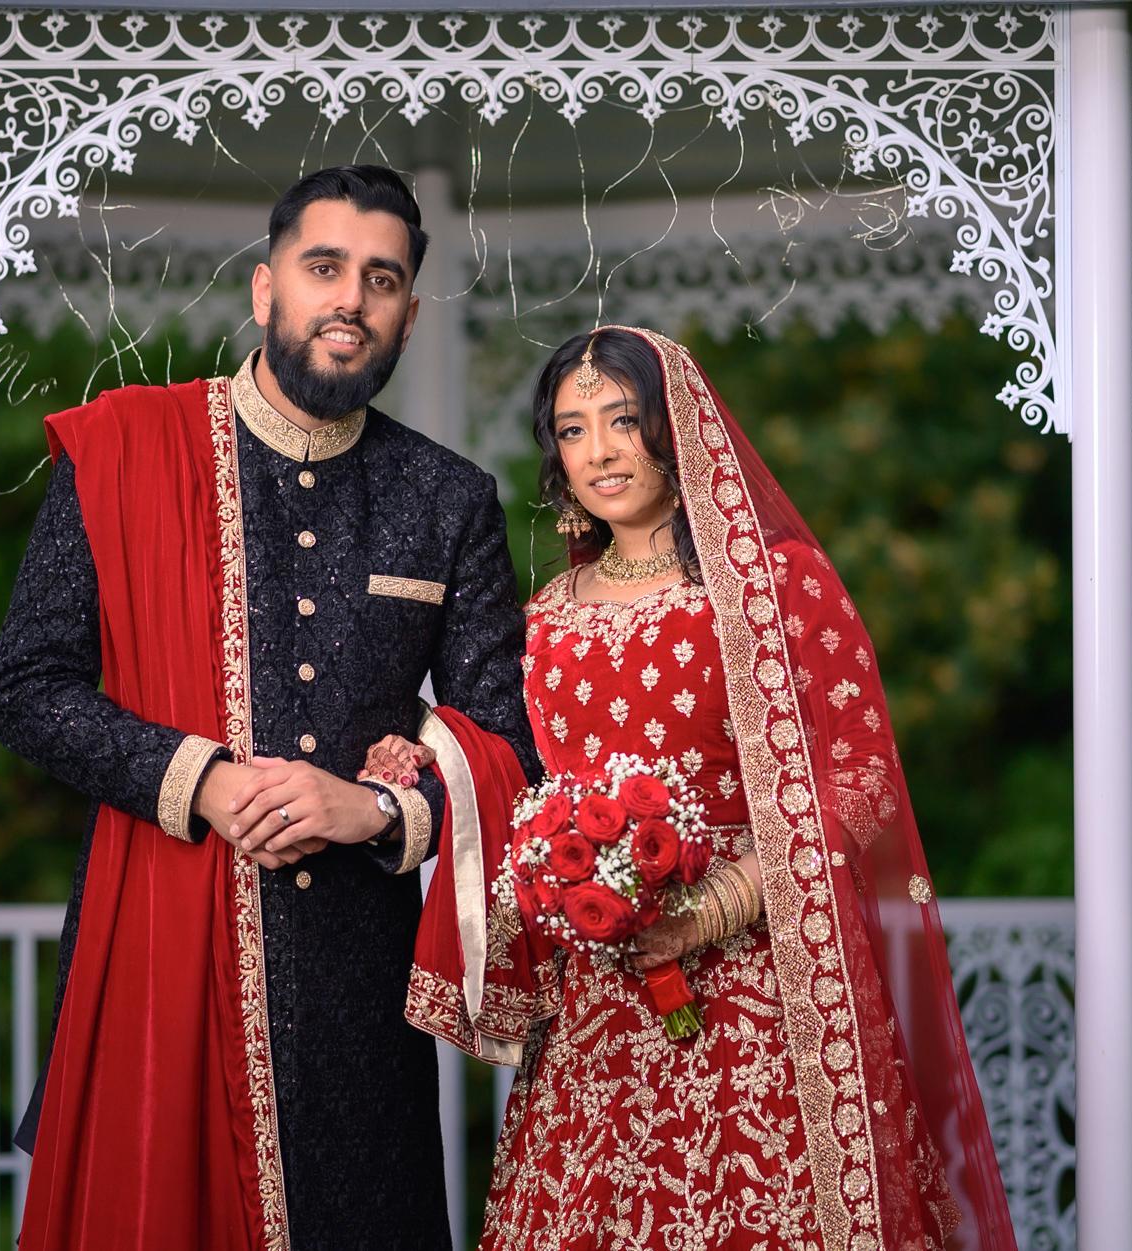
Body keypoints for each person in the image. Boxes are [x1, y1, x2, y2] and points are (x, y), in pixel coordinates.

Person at [363, 328, 1019, 1249]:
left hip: (763, 996)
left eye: (623, 420)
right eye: (574, 429)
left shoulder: (771, 587)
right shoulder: (544, 619)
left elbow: (862, 775)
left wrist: (718, 903)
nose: (600, 451)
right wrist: (423, 755)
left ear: (676, 428)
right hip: (596, 1007)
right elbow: (515, 769)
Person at [0, 165, 536, 1251]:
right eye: (324, 267)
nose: (351, 299)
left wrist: (375, 810)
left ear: (409, 315)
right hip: (159, 958)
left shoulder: (448, 498)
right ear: (264, 287)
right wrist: (203, 780)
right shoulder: (126, 451)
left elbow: (508, 741)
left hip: (358, 1004)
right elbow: (28, 689)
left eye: (382, 279)